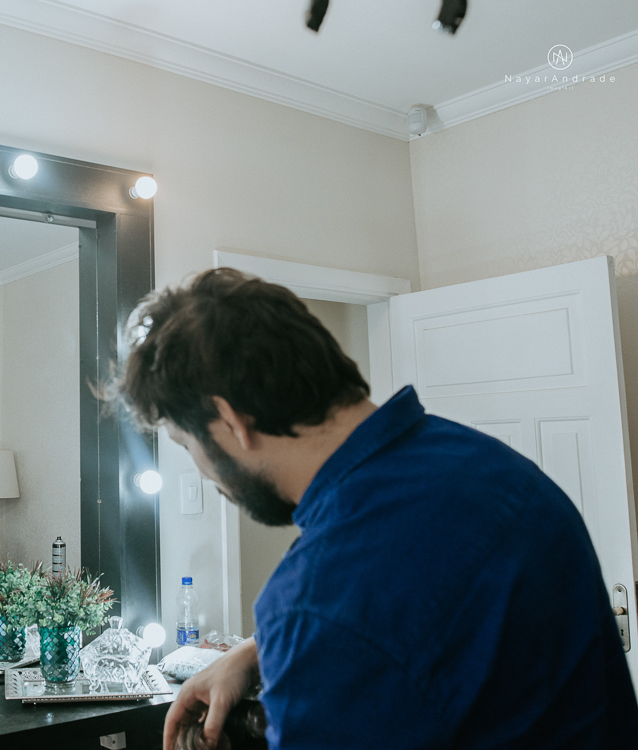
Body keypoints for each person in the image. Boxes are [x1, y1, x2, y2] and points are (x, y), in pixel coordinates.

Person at [110, 269, 638, 749]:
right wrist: (257, 653)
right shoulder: (495, 469)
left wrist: (297, 639)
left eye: (187, 444)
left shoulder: (318, 600)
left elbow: (364, 610)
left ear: (230, 419)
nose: (202, 471)